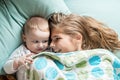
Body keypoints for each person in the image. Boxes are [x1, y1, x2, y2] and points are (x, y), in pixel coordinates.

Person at [3, 15, 50, 80]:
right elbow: (6, 69)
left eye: (45, 41)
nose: (41, 45)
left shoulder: (48, 50)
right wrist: (18, 61)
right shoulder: (22, 51)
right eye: (36, 41)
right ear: (25, 38)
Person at [49, 13, 120, 53]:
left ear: (77, 37)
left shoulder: (101, 57)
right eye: (51, 40)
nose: (51, 45)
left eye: (57, 38)